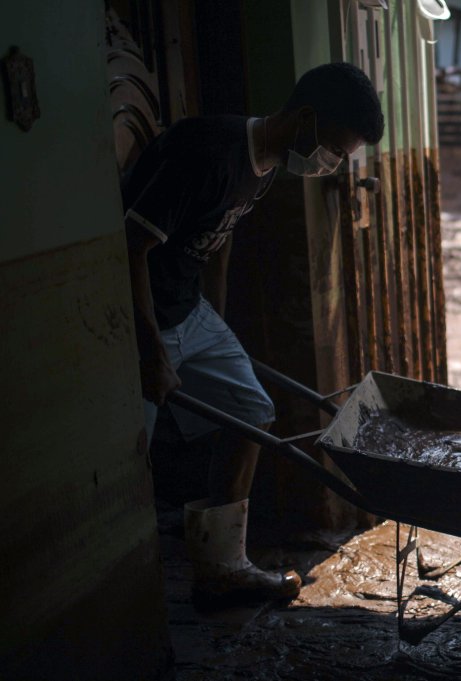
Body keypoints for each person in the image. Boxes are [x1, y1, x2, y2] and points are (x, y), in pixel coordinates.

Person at [121, 62, 384, 604]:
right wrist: (150, 351)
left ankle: (222, 568)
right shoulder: (208, 151)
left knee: (252, 410)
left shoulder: (263, 166)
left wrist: (215, 323)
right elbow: (131, 249)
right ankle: (125, 594)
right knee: (129, 454)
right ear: (306, 118)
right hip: (136, 317)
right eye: (333, 149)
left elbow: (217, 244)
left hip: (188, 312)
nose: (330, 163)